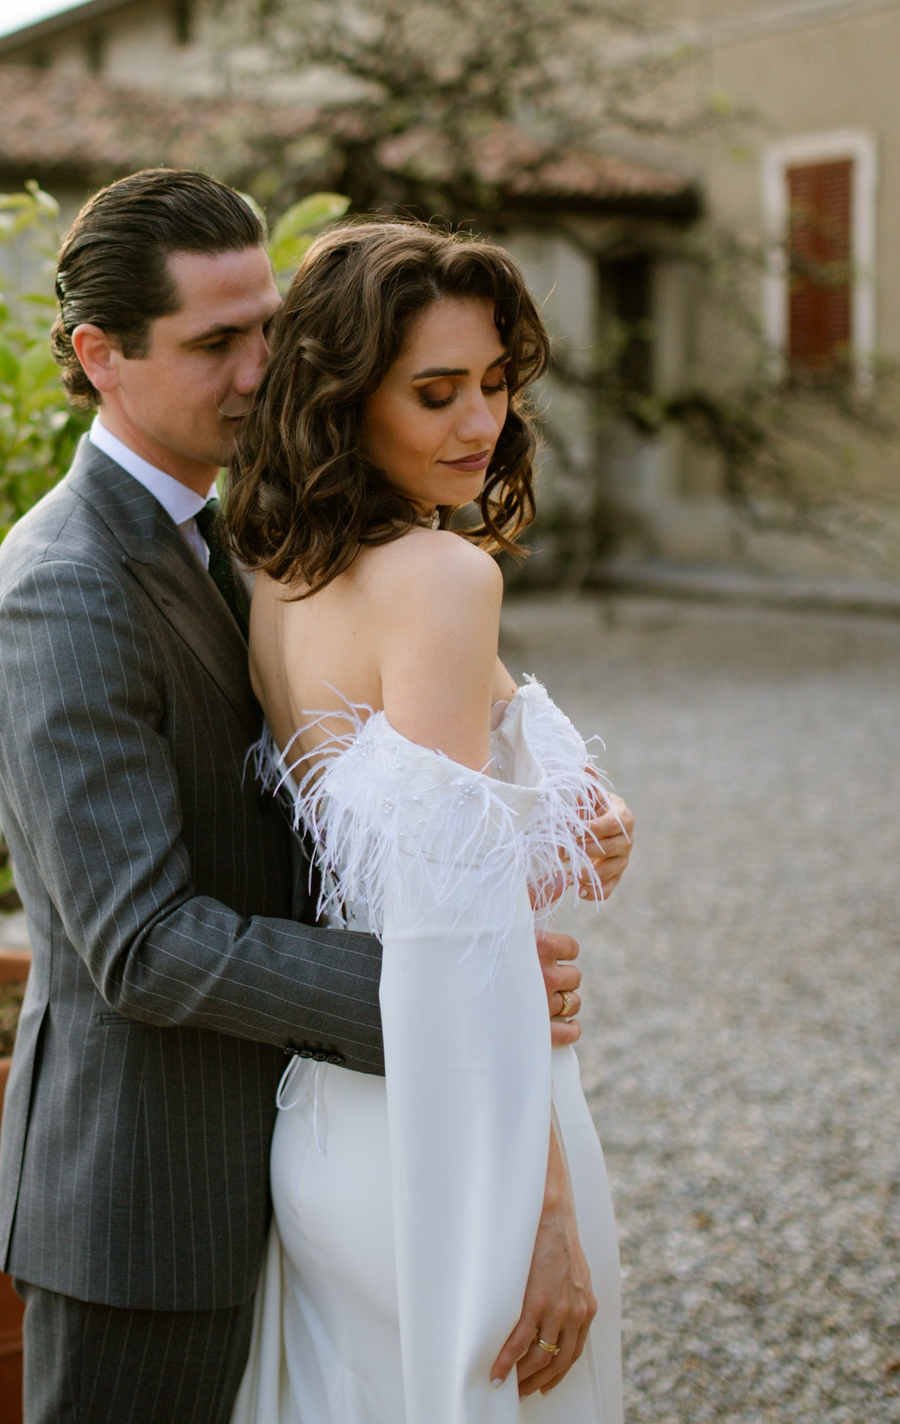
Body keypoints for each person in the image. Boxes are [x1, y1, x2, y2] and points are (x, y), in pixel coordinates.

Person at [0, 169, 634, 1424]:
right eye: (216, 344)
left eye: (266, 329)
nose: (260, 368)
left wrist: (549, 828)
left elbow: (320, 820)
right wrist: (454, 994)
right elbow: (140, 943)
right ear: (100, 356)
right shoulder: (65, 582)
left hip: (285, 1145)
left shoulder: (254, 540)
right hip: (146, 1201)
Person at [225, 220, 628, 1424]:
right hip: (461, 1127)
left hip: (328, 1126)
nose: (479, 426)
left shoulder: (275, 570)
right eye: (436, 393)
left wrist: (589, 812)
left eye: (496, 385)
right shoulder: (444, 581)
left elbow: (410, 812)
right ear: (346, 399)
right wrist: (541, 1221)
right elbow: (460, 938)